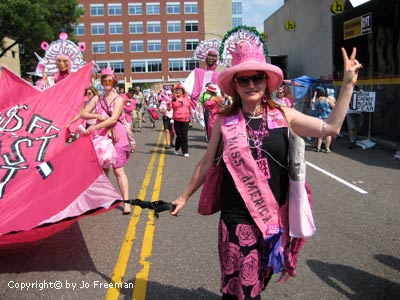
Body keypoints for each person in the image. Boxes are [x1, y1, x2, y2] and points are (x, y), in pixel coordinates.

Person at [170, 30, 362, 300]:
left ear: (267, 81)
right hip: (237, 219)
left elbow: (330, 127)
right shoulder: (224, 122)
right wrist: (183, 196)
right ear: (235, 84)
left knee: (259, 280)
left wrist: (348, 85)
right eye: (244, 79)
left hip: (273, 218)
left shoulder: (284, 115)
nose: (251, 84)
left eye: (257, 77)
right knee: (241, 289)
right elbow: (206, 163)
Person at [81, 67, 131, 215]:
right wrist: (96, 116)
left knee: (118, 170)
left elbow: (114, 118)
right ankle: (105, 199)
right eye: (104, 80)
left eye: (110, 80)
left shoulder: (119, 98)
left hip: (117, 136)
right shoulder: (97, 98)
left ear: (114, 81)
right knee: (103, 170)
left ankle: (126, 202)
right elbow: (83, 113)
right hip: (102, 137)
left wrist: (94, 126)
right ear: (101, 82)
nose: (107, 82)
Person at [183, 38, 225, 125]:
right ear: (205, 56)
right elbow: (186, 86)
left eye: (214, 56)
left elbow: (223, 92)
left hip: (213, 105)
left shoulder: (220, 75)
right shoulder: (197, 72)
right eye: (209, 55)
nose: (211, 58)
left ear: (217, 58)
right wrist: (195, 94)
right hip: (198, 103)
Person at [171, 83, 195, 157]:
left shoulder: (187, 99)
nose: (177, 92)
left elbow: (190, 108)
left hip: (185, 120)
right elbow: (169, 108)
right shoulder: (173, 99)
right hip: (177, 120)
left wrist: (193, 118)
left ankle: (185, 151)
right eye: (176, 90)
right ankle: (177, 148)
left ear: (182, 92)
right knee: (179, 135)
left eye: (179, 90)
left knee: (184, 136)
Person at [314, 86, 336, 153]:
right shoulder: (327, 99)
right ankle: (327, 148)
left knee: (320, 133)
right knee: (328, 134)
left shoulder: (317, 100)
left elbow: (315, 108)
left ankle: (318, 147)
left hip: (319, 118)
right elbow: (334, 107)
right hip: (327, 117)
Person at [124, 88, 137, 153]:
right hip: (118, 117)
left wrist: (122, 106)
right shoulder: (123, 96)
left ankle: (132, 145)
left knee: (128, 131)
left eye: (132, 93)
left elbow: (130, 109)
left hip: (127, 117)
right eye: (130, 92)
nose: (131, 94)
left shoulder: (134, 100)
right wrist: (125, 102)